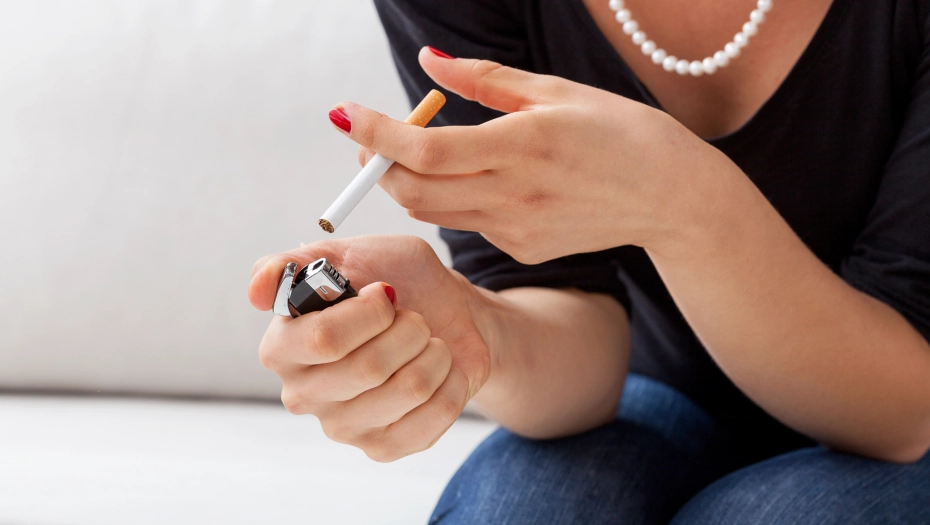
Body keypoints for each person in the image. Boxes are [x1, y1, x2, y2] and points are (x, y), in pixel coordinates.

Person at [248, 0, 930, 522]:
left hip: (896, 402)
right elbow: (566, 317)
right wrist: (472, 327)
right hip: (659, 390)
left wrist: (683, 200)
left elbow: (903, 414)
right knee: (522, 508)